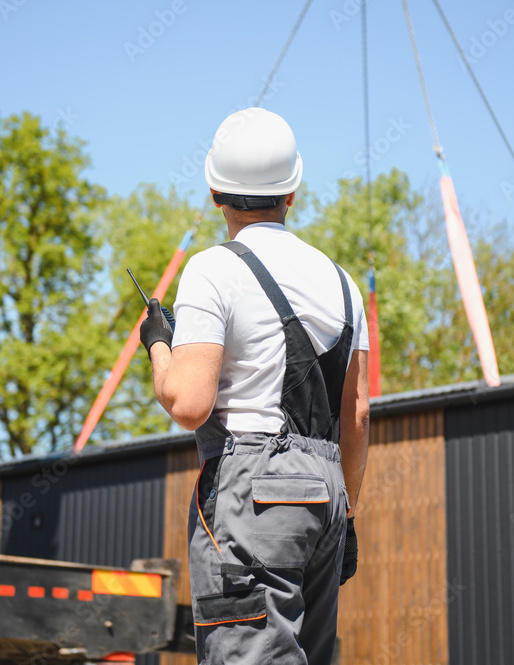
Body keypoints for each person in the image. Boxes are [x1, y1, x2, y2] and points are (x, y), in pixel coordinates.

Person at [140, 107, 370, 664]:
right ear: (291, 193)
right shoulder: (343, 284)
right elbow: (356, 415)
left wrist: (158, 344)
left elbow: (191, 405)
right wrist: (350, 517)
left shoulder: (213, 270)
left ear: (215, 189)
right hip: (326, 493)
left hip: (253, 492)